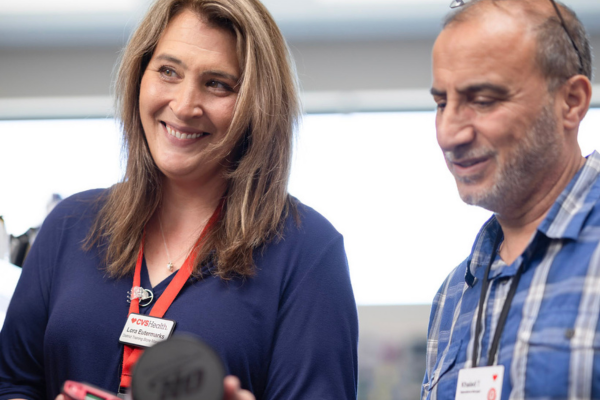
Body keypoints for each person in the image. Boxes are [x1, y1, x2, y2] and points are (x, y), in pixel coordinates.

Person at [0, 0, 359, 399]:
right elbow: (12, 383)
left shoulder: (307, 250)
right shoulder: (70, 225)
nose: (185, 106)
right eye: (169, 71)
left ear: (259, 104)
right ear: (140, 75)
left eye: (218, 83)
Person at [423, 0, 595, 399]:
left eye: (482, 101)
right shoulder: (454, 294)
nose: (449, 135)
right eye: (441, 103)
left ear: (571, 102)